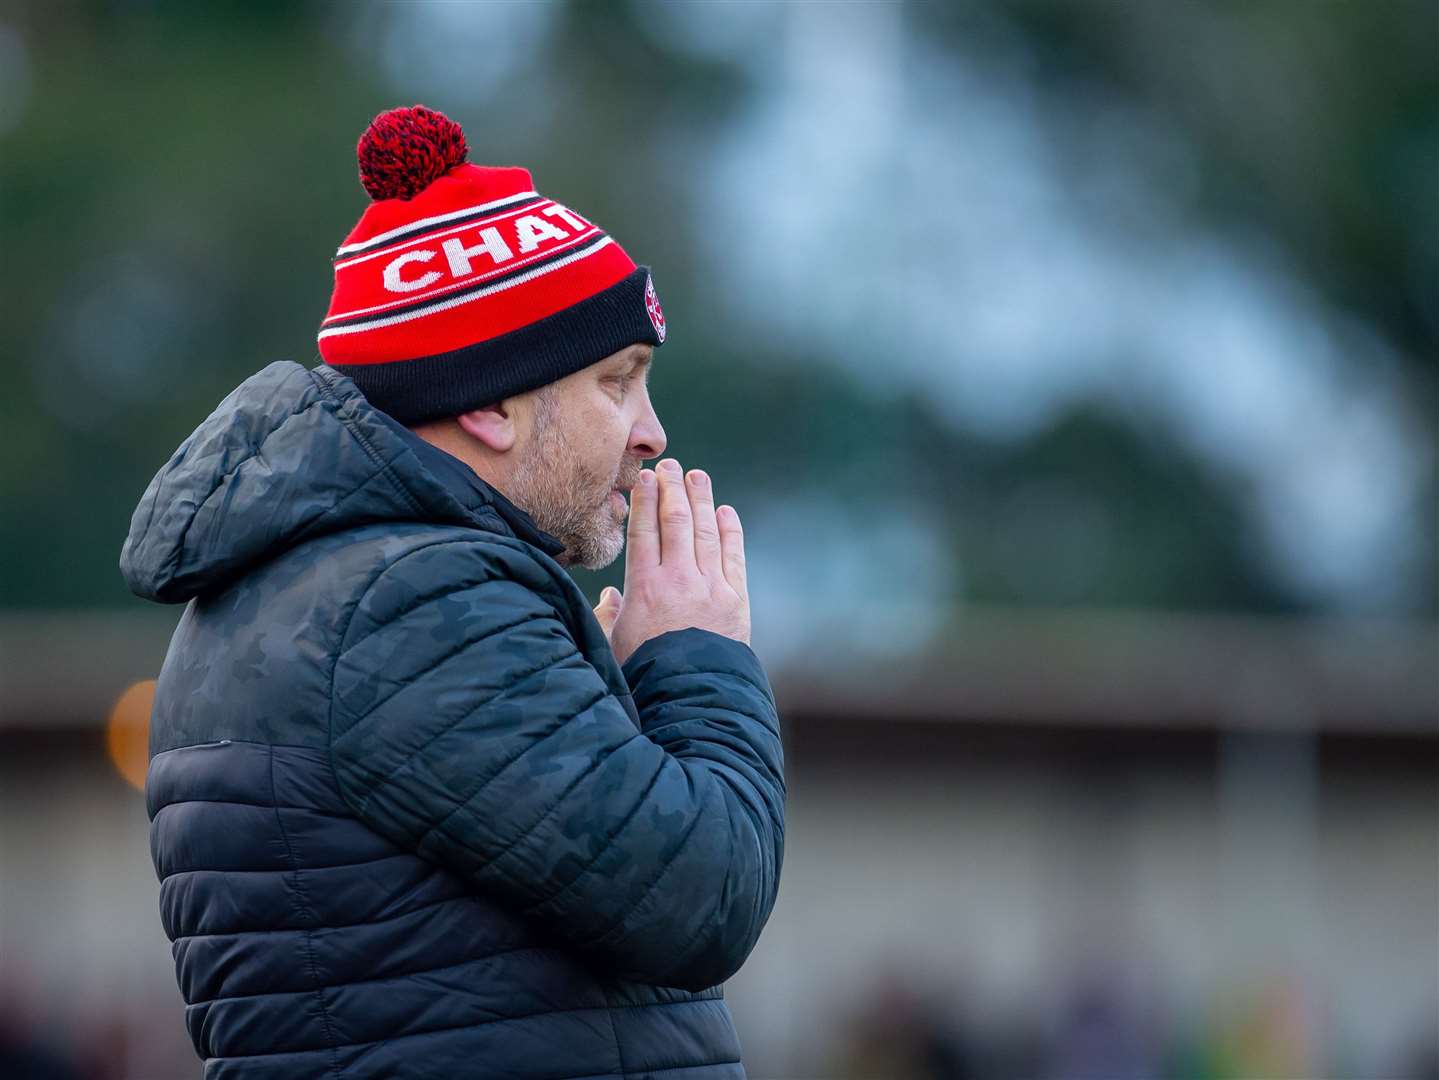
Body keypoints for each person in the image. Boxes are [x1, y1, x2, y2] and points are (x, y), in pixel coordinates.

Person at [120, 105, 785, 1080]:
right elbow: (699, 896)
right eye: (615, 382)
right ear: (486, 400)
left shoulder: (341, 583)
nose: (649, 432)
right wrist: (698, 659)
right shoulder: (416, 603)